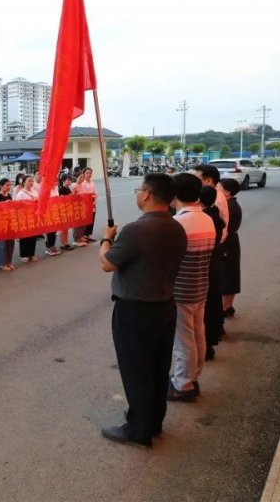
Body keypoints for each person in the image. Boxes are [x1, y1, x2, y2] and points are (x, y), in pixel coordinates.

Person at [98, 173, 187, 447]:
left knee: (136, 369)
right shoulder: (176, 227)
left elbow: (107, 263)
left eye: (139, 189)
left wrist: (106, 238)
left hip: (135, 310)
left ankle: (138, 429)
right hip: (164, 306)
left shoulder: (137, 230)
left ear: (147, 194)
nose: (137, 194)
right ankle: (153, 420)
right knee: (158, 368)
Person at [167, 173, 216, 402]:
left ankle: (182, 384)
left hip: (181, 291)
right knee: (197, 333)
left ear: (174, 194)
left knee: (183, 340)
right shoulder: (206, 219)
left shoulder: (179, 224)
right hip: (200, 286)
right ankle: (193, 376)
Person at [200, 185, 226, 361]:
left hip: (206, 267)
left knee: (205, 308)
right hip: (214, 264)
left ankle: (206, 345)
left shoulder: (204, 219)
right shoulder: (214, 214)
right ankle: (211, 339)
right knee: (212, 302)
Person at [218, 178, 242, 317]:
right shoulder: (230, 204)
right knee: (229, 275)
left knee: (228, 276)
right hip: (230, 242)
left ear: (227, 192)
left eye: (218, 187)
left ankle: (226, 307)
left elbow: (224, 230)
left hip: (227, 243)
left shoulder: (229, 207)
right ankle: (227, 306)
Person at [193, 164, 228, 244]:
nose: (193, 182)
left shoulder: (215, 199)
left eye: (196, 179)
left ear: (208, 181)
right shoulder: (215, 193)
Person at [15, 176, 40, 263]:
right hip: (24, 218)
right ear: (24, 182)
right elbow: (17, 207)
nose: (31, 183)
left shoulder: (35, 192)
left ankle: (31, 254)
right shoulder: (21, 193)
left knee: (33, 236)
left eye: (32, 181)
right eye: (29, 181)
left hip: (34, 217)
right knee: (25, 236)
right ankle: (23, 255)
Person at [0, 178, 15, 271]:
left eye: (10, 185)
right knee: (2, 244)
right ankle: (0, 263)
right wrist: (4, 204)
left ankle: (8, 262)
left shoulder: (9, 195)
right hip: (1, 222)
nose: (9, 187)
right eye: (7, 185)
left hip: (10, 221)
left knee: (10, 243)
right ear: (1, 186)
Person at [57, 174, 75, 252]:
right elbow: (60, 201)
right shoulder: (61, 189)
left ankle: (66, 242)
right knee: (63, 229)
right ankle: (63, 244)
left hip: (68, 210)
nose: (69, 181)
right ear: (63, 180)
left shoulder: (68, 188)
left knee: (66, 228)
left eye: (70, 180)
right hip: (62, 211)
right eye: (68, 180)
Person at [71, 172, 89, 247]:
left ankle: (81, 237)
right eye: (80, 177)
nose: (82, 179)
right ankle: (76, 239)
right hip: (76, 207)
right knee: (77, 224)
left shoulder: (82, 185)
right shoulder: (74, 186)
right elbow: (71, 197)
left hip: (83, 207)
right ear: (76, 177)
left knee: (83, 223)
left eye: (83, 177)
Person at [80, 168, 98, 243]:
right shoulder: (82, 183)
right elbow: (84, 194)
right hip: (86, 203)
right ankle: (84, 235)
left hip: (93, 203)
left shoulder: (92, 183)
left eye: (90, 173)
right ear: (84, 174)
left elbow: (95, 193)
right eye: (87, 173)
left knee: (92, 219)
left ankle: (88, 235)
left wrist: (94, 202)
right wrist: (89, 202)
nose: (89, 174)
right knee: (86, 219)